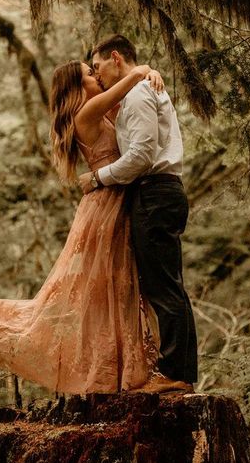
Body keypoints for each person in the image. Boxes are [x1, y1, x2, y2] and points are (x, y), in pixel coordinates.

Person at [0, 59, 163, 395]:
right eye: (90, 74)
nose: (97, 77)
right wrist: (143, 70)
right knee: (105, 288)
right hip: (105, 206)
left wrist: (150, 72)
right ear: (77, 87)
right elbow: (129, 81)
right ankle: (108, 374)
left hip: (116, 199)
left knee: (121, 286)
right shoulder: (86, 114)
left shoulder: (99, 112)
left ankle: (127, 371)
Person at [79, 34, 198, 394]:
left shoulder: (139, 95)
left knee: (164, 288)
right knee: (162, 285)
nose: (97, 76)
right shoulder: (138, 91)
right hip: (155, 193)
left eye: (97, 67)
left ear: (115, 58)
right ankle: (174, 370)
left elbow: (141, 157)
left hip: (155, 192)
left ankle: (177, 374)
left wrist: (98, 177)